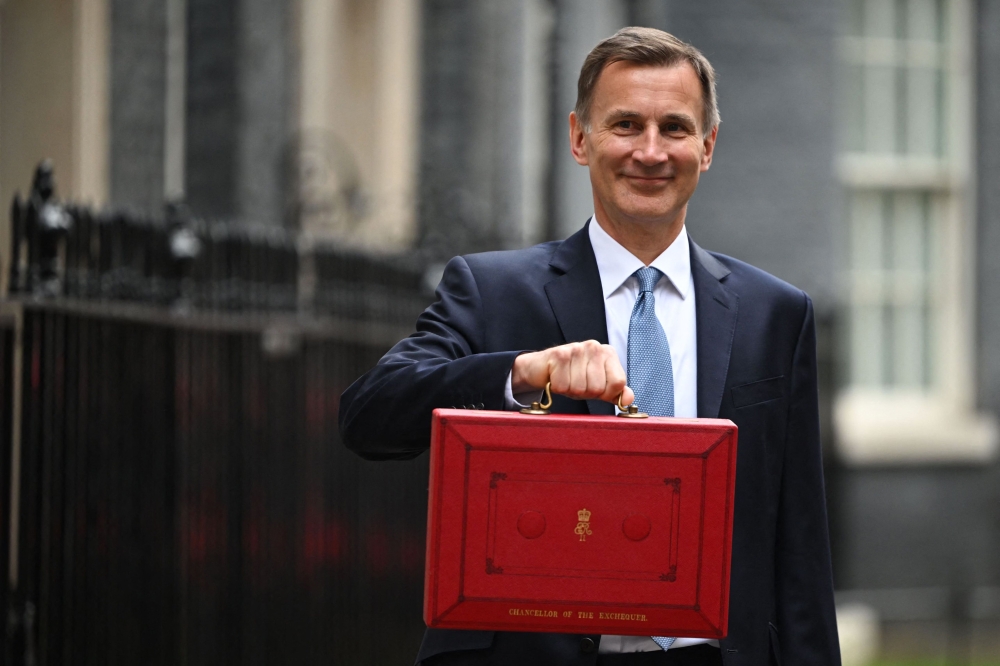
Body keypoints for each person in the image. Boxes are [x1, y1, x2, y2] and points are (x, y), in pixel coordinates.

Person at [340, 26, 841, 666]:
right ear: (580, 138)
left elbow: (801, 546)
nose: (650, 152)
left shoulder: (776, 313)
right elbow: (368, 415)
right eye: (625, 125)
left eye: (675, 128)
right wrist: (522, 374)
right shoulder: (492, 290)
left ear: (708, 146)